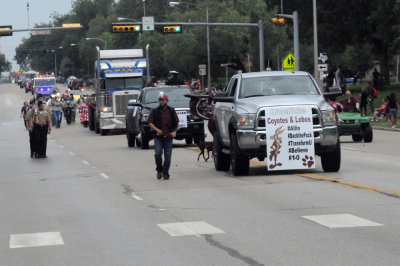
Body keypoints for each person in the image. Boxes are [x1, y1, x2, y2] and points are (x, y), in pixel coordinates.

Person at [147, 94, 179, 180]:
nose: (162, 101)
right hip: (158, 136)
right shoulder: (155, 111)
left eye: (163, 100)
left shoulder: (171, 110)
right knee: (158, 154)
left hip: (168, 136)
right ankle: (159, 170)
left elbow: (177, 123)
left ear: (167, 101)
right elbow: (150, 122)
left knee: (167, 156)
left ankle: (165, 173)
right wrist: (157, 129)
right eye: (160, 100)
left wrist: (174, 132)